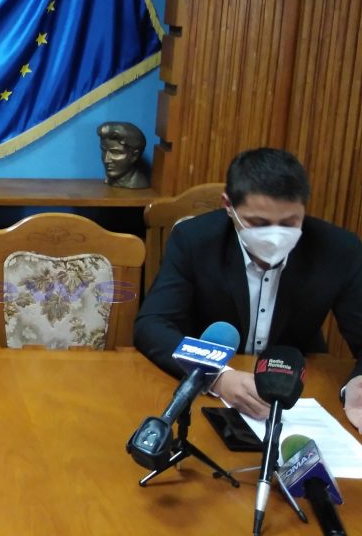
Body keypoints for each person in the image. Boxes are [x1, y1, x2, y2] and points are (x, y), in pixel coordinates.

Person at [134, 148, 362, 430]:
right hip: (203, 398)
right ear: (228, 206)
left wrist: (357, 382)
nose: (275, 236)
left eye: (289, 223)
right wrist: (217, 376)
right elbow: (152, 324)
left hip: (295, 394)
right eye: (259, 223)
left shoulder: (338, 250)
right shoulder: (194, 240)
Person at [97, 122, 150, 189]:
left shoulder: (138, 183)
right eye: (104, 151)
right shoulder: (111, 179)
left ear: (134, 156)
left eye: (115, 153)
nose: (106, 159)